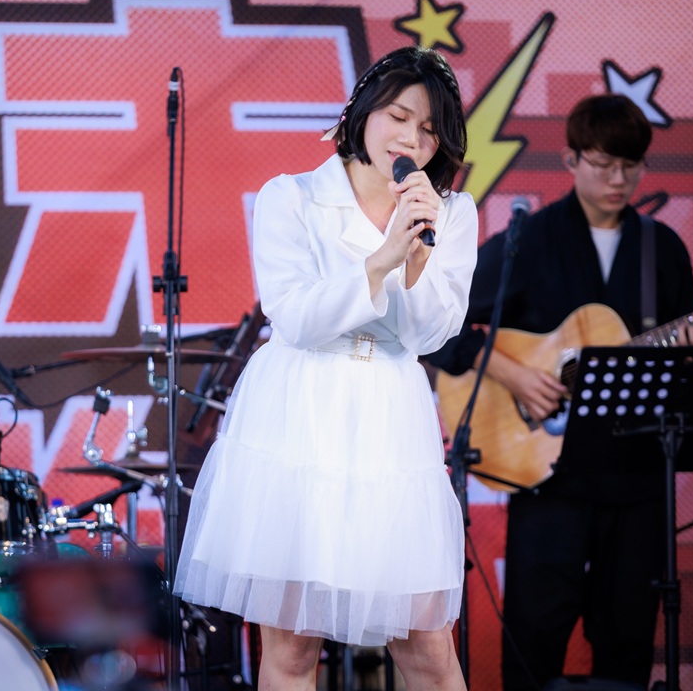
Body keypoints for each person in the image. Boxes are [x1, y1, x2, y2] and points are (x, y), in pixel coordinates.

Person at [175, 45, 476, 691]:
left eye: (429, 130)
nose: (411, 140)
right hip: (300, 413)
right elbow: (296, 318)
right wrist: (381, 259)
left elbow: (431, 334)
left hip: (390, 416)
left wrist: (416, 262)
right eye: (399, 117)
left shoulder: (450, 212)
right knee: (290, 649)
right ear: (362, 111)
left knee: (427, 646)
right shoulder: (293, 197)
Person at [426, 94, 693, 690]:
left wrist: (689, 351)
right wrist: (514, 375)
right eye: (603, 164)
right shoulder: (529, 239)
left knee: (629, 644)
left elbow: (682, 374)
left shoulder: (663, 250)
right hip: (547, 478)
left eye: (630, 166)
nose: (618, 180)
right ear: (571, 160)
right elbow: (439, 324)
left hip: (635, 478)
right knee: (533, 643)